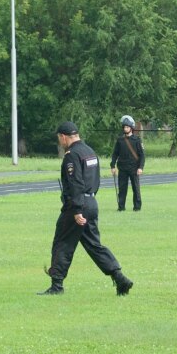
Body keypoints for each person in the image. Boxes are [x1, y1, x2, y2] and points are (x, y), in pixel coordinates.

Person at [40, 122, 133, 297]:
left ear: (63, 137)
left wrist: (76, 210)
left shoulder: (72, 155)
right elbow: (95, 179)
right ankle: (119, 278)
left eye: (59, 139)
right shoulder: (90, 152)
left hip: (77, 205)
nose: (60, 142)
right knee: (94, 245)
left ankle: (56, 285)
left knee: (62, 243)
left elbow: (76, 183)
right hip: (91, 202)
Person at [110, 115, 146, 213]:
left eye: (127, 127)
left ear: (131, 128)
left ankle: (137, 207)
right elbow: (115, 154)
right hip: (122, 168)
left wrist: (140, 167)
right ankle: (121, 207)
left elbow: (142, 155)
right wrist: (112, 166)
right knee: (122, 189)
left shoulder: (137, 140)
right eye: (124, 127)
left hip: (134, 168)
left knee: (136, 188)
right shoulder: (120, 140)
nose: (125, 129)